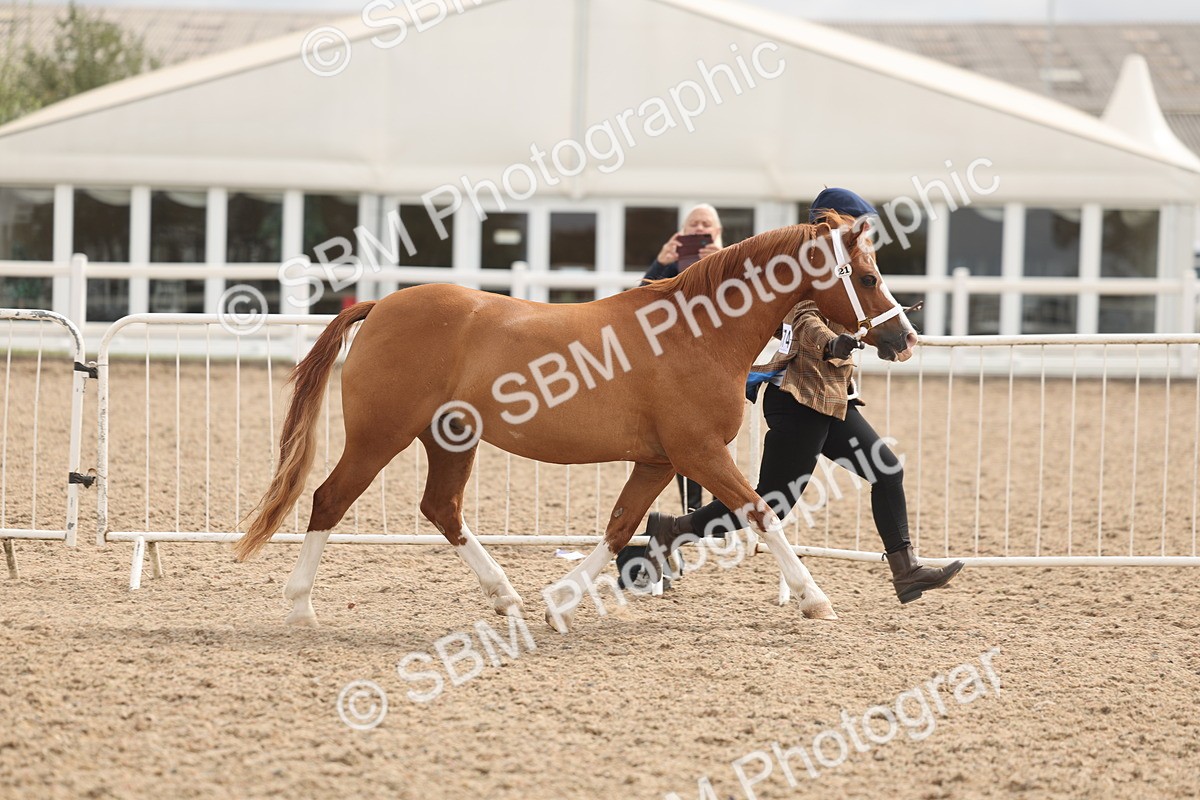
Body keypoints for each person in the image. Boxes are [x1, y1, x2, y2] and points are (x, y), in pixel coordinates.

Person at [635, 188, 964, 604]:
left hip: (833, 399)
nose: (864, 236)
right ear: (834, 222)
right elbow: (804, 319)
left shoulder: (842, 269)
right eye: (856, 225)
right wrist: (832, 344)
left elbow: (865, 307)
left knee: (886, 470)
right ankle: (671, 531)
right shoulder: (800, 271)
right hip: (799, 401)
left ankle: (906, 571)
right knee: (772, 502)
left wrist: (890, 334)